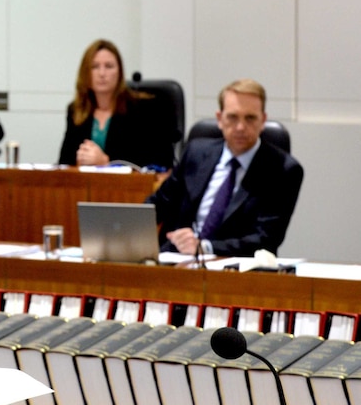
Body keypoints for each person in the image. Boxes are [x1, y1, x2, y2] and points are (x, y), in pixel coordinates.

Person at [147, 78, 304, 257]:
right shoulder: (195, 153)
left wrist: (203, 247)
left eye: (250, 118)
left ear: (263, 121)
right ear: (220, 119)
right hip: (177, 260)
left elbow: (266, 238)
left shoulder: (283, 170)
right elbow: (157, 206)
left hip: (237, 269)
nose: (240, 127)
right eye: (232, 117)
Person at [58, 39, 178, 170]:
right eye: (94, 67)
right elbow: (64, 162)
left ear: (119, 72)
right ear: (85, 73)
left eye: (109, 66)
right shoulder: (77, 110)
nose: (102, 74)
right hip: (86, 187)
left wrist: (107, 161)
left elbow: (160, 161)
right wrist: (78, 161)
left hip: (134, 188)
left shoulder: (145, 109)